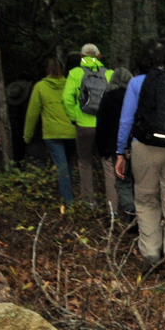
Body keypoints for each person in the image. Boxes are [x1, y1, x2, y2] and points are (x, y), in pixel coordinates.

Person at [116, 39, 165, 278]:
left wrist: (121, 152)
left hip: (144, 148)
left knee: (146, 200)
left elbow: (126, 120)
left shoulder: (136, 82)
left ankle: (151, 255)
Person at [62, 44, 113, 209]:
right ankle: (112, 206)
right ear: (98, 57)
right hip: (105, 125)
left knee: (84, 162)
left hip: (84, 125)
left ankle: (89, 202)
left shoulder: (76, 73)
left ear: (82, 57)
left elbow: (66, 98)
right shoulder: (109, 74)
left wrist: (74, 117)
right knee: (108, 164)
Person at [24, 58, 73, 203]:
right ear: (62, 70)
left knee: (62, 166)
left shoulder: (40, 87)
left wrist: (27, 136)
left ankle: (68, 201)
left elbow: (32, 113)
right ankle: (69, 195)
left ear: (47, 71)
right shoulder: (70, 84)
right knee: (67, 165)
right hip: (71, 131)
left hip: (52, 133)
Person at [93, 67, 136, 226]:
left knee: (121, 181)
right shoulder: (135, 98)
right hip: (135, 144)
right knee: (136, 180)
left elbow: (101, 125)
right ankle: (140, 214)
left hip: (115, 146)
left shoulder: (108, 98)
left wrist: (102, 148)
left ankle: (130, 212)